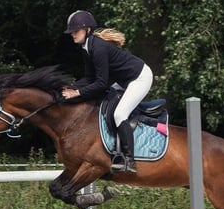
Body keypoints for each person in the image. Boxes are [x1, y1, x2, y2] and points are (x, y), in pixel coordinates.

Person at [60, 10, 154, 173]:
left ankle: (129, 160)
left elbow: (101, 83)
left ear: (87, 29)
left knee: (119, 114)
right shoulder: (87, 48)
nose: (72, 34)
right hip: (125, 80)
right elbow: (89, 78)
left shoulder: (98, 48)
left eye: (76, 31)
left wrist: (77, 93)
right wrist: (71, 86)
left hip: (140, 78)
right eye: (72, 32)